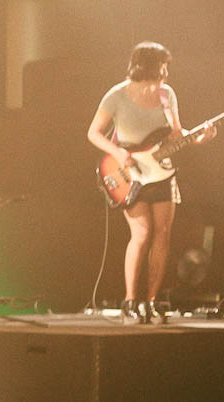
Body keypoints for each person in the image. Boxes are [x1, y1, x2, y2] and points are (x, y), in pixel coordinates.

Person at [86, 42, 213, 325]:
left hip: (162, 172)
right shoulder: (116, 95)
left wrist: (200, 138)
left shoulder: (168, 95)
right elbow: (93, 133)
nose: (166, 73)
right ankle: (130, 301)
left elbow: (177, 135)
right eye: (162, 66)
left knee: (163, 234)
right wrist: (118, 152)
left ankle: (152, 302)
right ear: (149, 67)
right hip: (129, 172)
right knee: (141, 234)